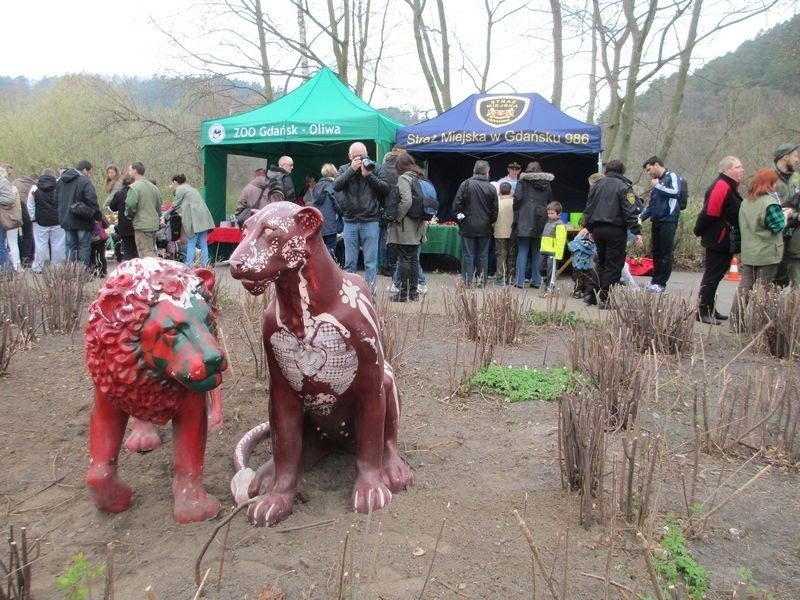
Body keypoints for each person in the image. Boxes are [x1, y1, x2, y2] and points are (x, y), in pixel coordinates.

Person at [582, 159, 643, 308]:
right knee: (613, 265)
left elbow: (589, 208)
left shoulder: (596, 186)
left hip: (598, 229)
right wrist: (636, 231)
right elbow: (629, 212)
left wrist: (590, 228)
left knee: (601, 262)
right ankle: (604, 297)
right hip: (615, 230)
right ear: (622, 171)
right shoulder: (624, 188)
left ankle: (591, 293)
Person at [729, 168, 785, 330]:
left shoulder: (746, 202)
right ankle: (761, 323)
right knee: (764, 288)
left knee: (744, 287)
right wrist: (786, 215)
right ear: (769, 184)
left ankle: (735, 322)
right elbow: (778, 226)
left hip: (749, 252)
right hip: (767, 252)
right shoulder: (770, 203)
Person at [333, 141, 390, 297]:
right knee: (350, 263)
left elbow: (386, 189)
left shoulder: (376, 168)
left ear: (367, 154)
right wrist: (351, 170)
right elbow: (336, 186)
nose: (359, 158)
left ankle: (370, 296)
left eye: (362, 155)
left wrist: (368, 175)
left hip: (371, 220)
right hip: (350, 221)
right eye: (355, 156)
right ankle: (349, 296)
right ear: (350, 156)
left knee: (370, 263)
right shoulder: (344, 169)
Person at [693, 155, 744, 324]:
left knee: (717, 274)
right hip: (718, 238)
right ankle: (702, 310)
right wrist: (698, 230)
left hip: (724, 239)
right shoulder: (721, 186)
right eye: (737, 167)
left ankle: (709, 307)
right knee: (712, 275)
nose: (741, 170)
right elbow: (710, 213)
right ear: (727, 170)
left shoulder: (729, 186)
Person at [387, 153, 427, 302]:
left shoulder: (404, 178)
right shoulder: (419, 177)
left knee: (404, 258)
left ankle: (403, 294)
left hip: (406, 226)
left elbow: (406, 201)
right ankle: (414, 293)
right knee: (414, 260)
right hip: (418, 226)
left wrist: (397, 217)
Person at [453, 159, 498, 287]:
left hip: (468, 226)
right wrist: (489, 221)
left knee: (468, 254)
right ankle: (481, 281)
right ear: (487, 172)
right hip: (485, 227)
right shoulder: (491, 188)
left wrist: (461, 220)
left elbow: (456, 206)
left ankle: (467, 281)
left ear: (474, 170)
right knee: (483, 255)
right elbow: (495, 211)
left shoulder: (465, 184)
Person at [640, 155, 681, 293]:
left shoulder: (672, 177)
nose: (649, 173)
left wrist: (657, 186)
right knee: (656, 252)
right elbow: (652, 204)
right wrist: (640, 218)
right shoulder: (657, 183)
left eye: (649, 169)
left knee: (665, 253)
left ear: (657, 165)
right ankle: (655, 281)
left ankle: (661, 283)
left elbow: (676, 192)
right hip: (656, 220)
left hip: (668, 220)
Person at [513, 161, 554, 289]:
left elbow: (518, 198)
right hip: (541, 218)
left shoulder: (523, 181)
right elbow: (550, 201)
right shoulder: (547, 183)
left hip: (525, 217)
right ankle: (536, 281)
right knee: (537, 250)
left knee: (523, 250)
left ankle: (520, 281)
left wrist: (516, 210)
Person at [56, 160, 102, 267]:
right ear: (85, 170)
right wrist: (97, 215)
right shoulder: (84, 181)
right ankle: (82, 272)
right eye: (90, 172)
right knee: (83, 246)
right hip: (82, 219)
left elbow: (56, 199)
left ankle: (70, 272)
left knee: (70, 246)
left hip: (66, 219)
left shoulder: (60, 181)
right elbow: (91, 200)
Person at [163, 174, 216, 267]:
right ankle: (205, 265)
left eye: (173, 184)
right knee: (203, 244)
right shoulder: (191, 189)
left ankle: (188, 266)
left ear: (175, 182)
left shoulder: (180, 189)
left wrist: (164, 215)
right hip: (203, 218)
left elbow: (175, 205)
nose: (173, 187)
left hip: (194, 221)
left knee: (191, 243)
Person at [772, 144, 800, 286]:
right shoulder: (769, 178)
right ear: (785, 157)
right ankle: (769, 307)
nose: (797, 160)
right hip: (776, 234)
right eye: (795, 156)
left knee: (795, 277)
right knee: (775, 279)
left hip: (795, 235)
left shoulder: (797, 178)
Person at [28, 169, 66, 272]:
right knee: (58, 244)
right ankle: (57, 266)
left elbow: (30, 205)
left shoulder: (34, 188)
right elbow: (63, 202)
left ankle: (38, 266)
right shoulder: (59, 186)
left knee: (40, 244)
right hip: (57, 220)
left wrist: (33, 218)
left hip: (41, 220)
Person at [124, 161, 162, 258]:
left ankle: (150, 272)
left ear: (135, 171)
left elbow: (130, 205)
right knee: (152, 250)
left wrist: (129, 215)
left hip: (142, 225)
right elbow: (159, 207)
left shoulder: (134, 187)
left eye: (130, 170)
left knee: (145, 254)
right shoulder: (154, 187)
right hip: (153, 224)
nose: (128, 172)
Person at [311, 163, 342, 260]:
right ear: (334, 172)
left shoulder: (316, 186)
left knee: (319, 250)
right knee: (330, 250)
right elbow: (337, 205)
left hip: (318, 224)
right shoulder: (334, 186)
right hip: (331, 224)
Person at [539, 201, 568, 296]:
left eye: (552, 213)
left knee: (550, 272)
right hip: (544, 250)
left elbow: (561, 241)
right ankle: (545, 285)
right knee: (541, 269)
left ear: (559, 213)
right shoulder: (547, 223)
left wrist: (558, 255)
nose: (549, 215)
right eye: (548, 213)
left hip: (553, 252)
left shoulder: (559, 225)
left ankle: (550, 289)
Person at [107, 174, 137, 261]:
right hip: (137, 225)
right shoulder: (138, 193)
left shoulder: (119, 194)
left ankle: (129, 270)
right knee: (138, 249)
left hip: (124, 227)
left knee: (128, 250)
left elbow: (112, 207)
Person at [493, 181, 516, 286]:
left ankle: (500, 278)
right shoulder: (514, 202)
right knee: (511, 255)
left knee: (501, 255)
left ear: (499, 191)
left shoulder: (496, 202)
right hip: (512, 232)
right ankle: (510, 278)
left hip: (499, 232)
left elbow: (492, 217)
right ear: (511, 191)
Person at [12, 172, 36, 268]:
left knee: (17, 236)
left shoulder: (15, 183)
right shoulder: (33, 185)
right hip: (27, 212)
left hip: (15, 212)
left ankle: (20, 256)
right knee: (29, 234)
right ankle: (27, 257)